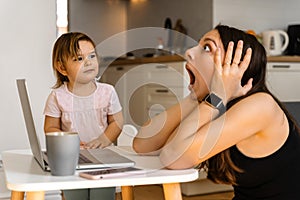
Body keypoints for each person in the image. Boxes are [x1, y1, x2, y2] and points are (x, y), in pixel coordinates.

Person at [133, 25, 300, 199]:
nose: (189, 51)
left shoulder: (261, 105)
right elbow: (143, 144)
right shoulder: (215, 103)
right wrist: (197, 98)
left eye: (207, 48)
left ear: (236, 66)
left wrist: (216, 96)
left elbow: (174, 158)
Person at [44, 32, 123, 200]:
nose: (88, 62)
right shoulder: (57, 96)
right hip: (72, 161)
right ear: (62, 67)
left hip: (103, 160)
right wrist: (68, 140)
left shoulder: (107, 92)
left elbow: (117, 122)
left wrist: (104, 139)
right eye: (79, 59)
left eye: (92, 56)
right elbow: (50, 127)